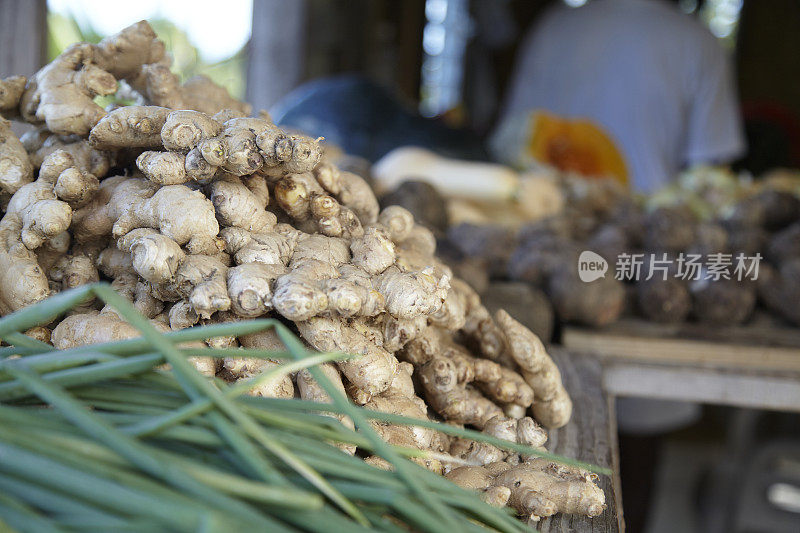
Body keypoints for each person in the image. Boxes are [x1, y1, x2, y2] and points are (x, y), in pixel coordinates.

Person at [492, 0, 746, 192]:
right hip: (645, 241)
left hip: (549, 227)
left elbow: (510, 141)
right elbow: (709, 173)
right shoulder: (699, 42)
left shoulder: (553, 25)